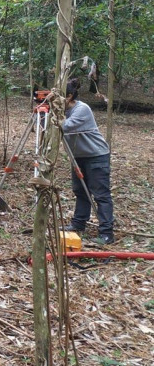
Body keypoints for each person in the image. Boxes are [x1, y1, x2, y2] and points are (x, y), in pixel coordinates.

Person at [62, 77, 115, 244]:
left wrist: (52, 114)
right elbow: (43, 127)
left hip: (96, 155)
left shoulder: (82, 109)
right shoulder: (62, 110)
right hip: (78, 157)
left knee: (101, 195)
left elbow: (64, 126)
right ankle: (78, 224)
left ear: (69, 96)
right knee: (80, 192)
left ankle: (107, 233)